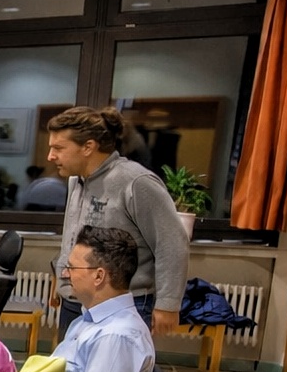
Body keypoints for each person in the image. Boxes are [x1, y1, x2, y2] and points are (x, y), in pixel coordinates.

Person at [46, 106, 189, 336]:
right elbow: (75, 237)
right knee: (70, 360)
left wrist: (168, 304)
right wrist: (60, 275)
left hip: (123, 307)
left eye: (58, 148)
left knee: (116, 360)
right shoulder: (76, 181)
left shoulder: (136, 182)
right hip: (75, 302)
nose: (51, 156)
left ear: (88, 147)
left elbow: (171, 243)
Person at [51, 225, 156, 372]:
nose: (65, 274)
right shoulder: (89, 320)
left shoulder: (115, 337)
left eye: (72, 267)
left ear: (99, 276)